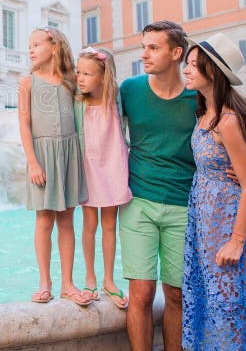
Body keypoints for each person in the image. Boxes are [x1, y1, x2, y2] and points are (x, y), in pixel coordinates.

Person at [181, 33, 246, 350]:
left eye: (192, 65)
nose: (186, 70)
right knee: (210, 300)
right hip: (204, 220)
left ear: (212, 72)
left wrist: (236, 240)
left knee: (227, 303)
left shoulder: (226, 121)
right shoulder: (204, 113)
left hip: (225, 222)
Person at [119, 20, 197, 351]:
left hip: (183, 203)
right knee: (141, 293)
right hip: (138, 201)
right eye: (143, 47)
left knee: (176, 293)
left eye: (153, 48)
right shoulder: (130, 89)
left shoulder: (198, 96)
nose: (144, 54)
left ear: (176, 53)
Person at [17, 26, 90, 306]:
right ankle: (45, 282)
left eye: (37, 44)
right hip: (43, 157)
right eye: (30, 46)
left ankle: (68, 283)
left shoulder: (70, 80)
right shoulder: (28, 83)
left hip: (69, 154)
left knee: (67, 221)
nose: (31, 50)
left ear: (54, 46)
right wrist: (32, 162)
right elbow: (24, 125)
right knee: (44, 220)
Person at [74, 46, 132, 309]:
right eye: (78, 72)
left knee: (109, 224)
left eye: (87, 73)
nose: (81, 78)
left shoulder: (116, 97)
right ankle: (90, 277)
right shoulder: (77, 101)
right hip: (88, 166)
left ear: (103, 76)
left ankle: (109, 280)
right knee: (89, 224)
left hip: (113, 163)